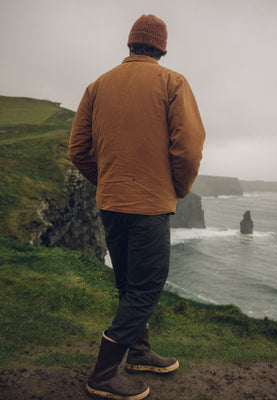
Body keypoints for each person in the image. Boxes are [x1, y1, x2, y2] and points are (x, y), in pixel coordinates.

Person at [69, 14, 205, 400]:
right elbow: (189, 148)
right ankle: (103, 373)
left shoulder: (97, 86)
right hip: (149, 206)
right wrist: (177, 187)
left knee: (128, 284)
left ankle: (140, 353)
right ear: (161, 47)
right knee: (146, 287)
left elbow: (78, 150)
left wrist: (107, 180)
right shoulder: (172, 82)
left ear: (130, 44)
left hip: (111, 202)